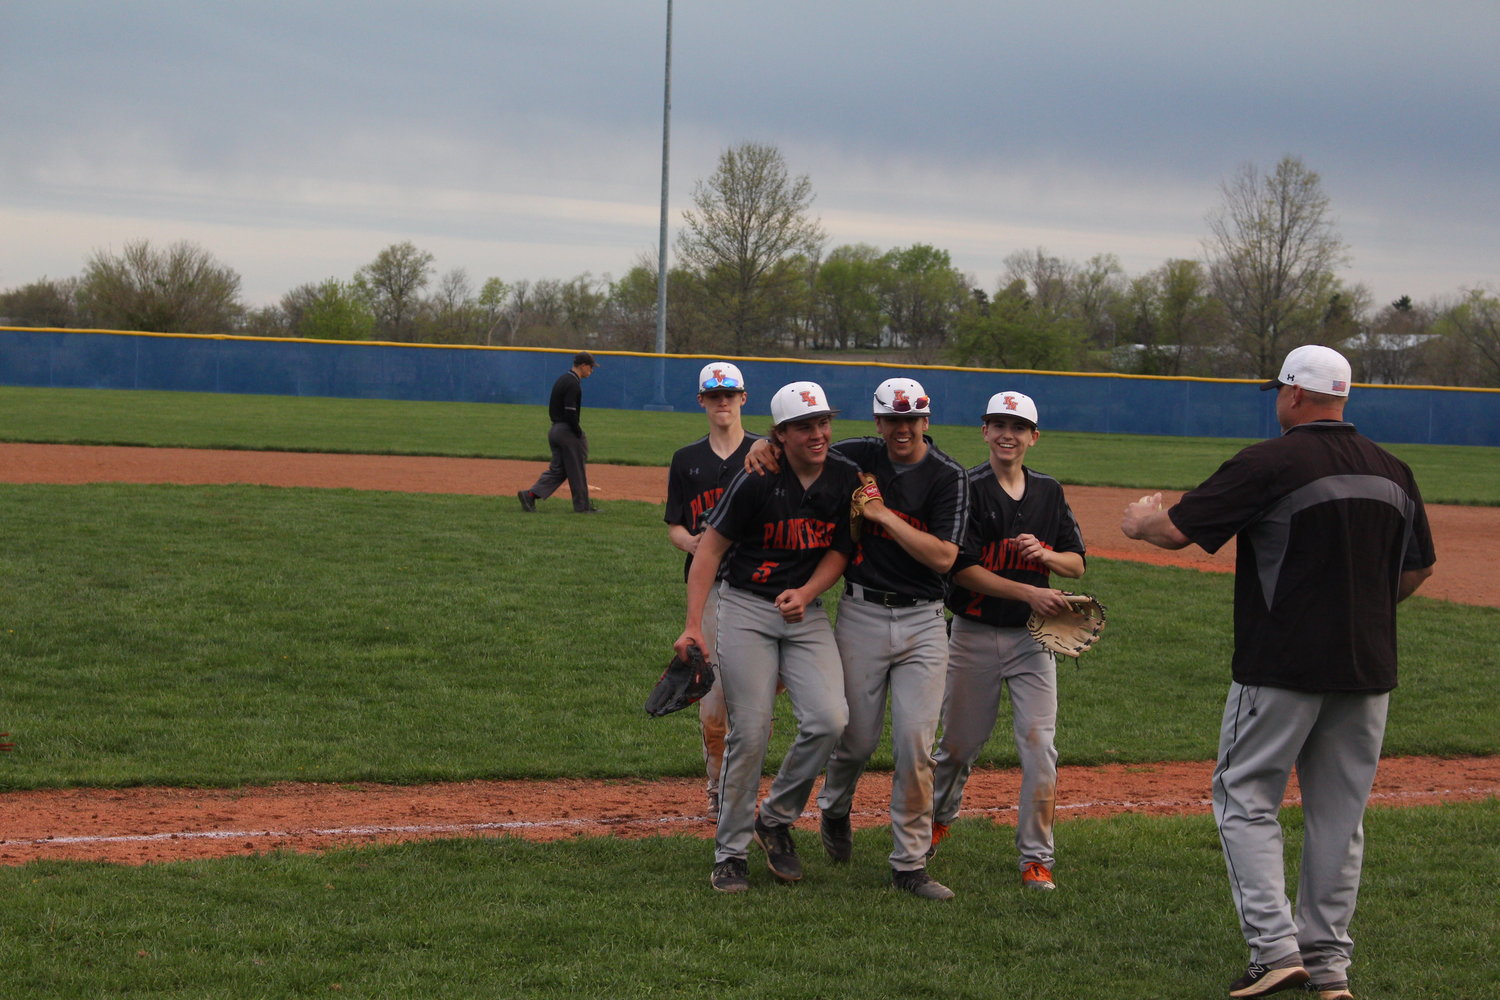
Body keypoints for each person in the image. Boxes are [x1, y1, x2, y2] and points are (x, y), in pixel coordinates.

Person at [1120, 345, 1436, 1000]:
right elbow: (1416, 570)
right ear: (1340, 397)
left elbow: (1177, 531)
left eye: (1277, 392)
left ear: (1294, 395)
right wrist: (1365, 609)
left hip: (1281, 667)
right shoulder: (1394, 469)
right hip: (1368, 670)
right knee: (1338, 819)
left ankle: (1274, 950)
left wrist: (1139, 521)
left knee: (1244, 798)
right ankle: (1329, 968)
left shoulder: (1271, 460)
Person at [674, 380, 861, 893]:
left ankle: (774, 817)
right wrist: (694, 624)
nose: (819, 433)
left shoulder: (844, 475)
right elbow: (708, 551)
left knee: (830, 719)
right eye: (804, 426)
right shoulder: (757, 476)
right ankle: (730, 853)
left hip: (805, 612)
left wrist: (807, 591)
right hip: (746, 608)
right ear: (780, 435)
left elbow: (839, 552)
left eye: (823, 422)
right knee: (750, 732)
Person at [810, 377, 969, 900]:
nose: (903, 429)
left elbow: (945, 557)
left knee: (915, 746)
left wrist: (881, 515)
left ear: (927, 422)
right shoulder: (858, 455)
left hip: (924, 621)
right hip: (861, 612)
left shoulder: (948, 477)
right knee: (853, 740)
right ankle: (834, 808)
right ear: (878, 423)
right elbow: (805, 450)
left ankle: (909, 864)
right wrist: (766, 447)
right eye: (893, 420)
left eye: (913, 419)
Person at [929, 390, 1086, 893]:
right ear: (984, 432)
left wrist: (1046, 556)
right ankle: (936, 819)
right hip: (973, 634)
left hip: (1032, 641)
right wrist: (1028, 589)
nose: (1007, 435)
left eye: (1017, 427)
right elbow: (962, 570)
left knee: (1040, 746)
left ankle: (1036, 858)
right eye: (998, 425)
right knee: (957, 747)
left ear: (1033, 437)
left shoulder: (1049, 492)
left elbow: (1076, 563)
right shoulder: (967, 488)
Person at [663, 362, 763, 820]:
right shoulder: (687, 459)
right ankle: (718, 788)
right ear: (701, 400)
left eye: (730, 394)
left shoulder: (764, 452)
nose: (723, 402)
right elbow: (675, 527)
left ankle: (743, 785)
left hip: (759, 590)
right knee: (713, 703)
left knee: (756, 700)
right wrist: (693, 543)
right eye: (714, 395)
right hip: (710, 593)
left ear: (743, 397)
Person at [518, 351, 599, 513]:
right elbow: (570, 411)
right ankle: (583, 507)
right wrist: (577, 431)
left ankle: (530, 495)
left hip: (555, 429)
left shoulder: (563, 379)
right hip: (566, 431)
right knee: (577, 468)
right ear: (583, 366)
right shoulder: (572, 383)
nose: (592, 370)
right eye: (590, 367)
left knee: (559, 470)